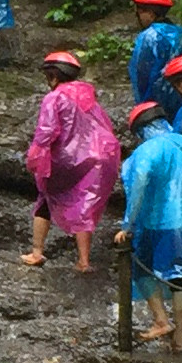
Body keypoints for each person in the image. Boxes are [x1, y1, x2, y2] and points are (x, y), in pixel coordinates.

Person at [24, 50, 122, 273]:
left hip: (68, 159)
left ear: (53, 76)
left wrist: (35, 157)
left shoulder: (55, 97)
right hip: (99, 156)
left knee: (46, 198)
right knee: (85, 204)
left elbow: (46, 131)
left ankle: (37, 251)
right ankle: (84, 261)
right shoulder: (90, 99)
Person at [115, 102, 182, 341]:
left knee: (141, 269)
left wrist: (128, 225)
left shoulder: (146, 152)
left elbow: (138, 189)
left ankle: (161, 320)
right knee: (180, 277)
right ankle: (180, 341)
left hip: (158, 221)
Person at [128, 0, 182, 116]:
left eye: (139, 12)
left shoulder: (148, 37)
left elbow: (141, 73)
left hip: (157, 102)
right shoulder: (181, 33)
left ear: (150, 13)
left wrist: (142, 104)